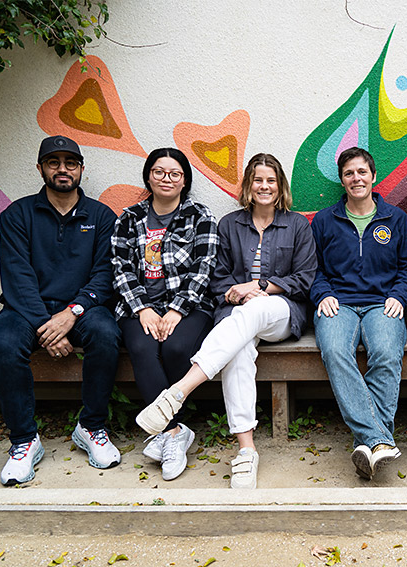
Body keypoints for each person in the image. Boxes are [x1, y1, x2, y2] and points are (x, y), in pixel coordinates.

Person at [134, 153, 316, 489]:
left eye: (271, 180)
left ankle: (178, 392)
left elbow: (304, 278)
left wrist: (259, 287)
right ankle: (246, 451)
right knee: (239, 348)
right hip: (236, 315)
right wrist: (239, 293)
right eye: (258, 180)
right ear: (248, 184)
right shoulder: (229, 224)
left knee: (256, 310)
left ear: (280, 186)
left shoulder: (297, 225)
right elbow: (216, 279)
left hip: (282, 312)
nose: (264, 186)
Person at [0, 135, 122, 486]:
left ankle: (91, 427)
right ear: (40, 168)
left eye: (70, 163)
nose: (62, 169)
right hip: (27, 307)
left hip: (81, 308)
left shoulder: (101, 216)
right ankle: (24, 441)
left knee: (107, 334)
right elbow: (16, 275)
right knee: (4, 343)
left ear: (81, 169)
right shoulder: (17, 214)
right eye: (53, 162)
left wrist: (72, 313)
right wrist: (44, 325)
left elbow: (105, 274)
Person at [111, 147, 218, 481]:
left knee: (175, 348)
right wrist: (142, 308)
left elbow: (205, 267)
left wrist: (176, 310)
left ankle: (168, 429)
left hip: (190, 305)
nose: (166, 179)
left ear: (184, 180)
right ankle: (173, 432)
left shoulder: (201, 216)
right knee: (143, 348)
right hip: (136, 307)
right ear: (148, 176)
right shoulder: (129, 218)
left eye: (174, 173)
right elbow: (120, 267)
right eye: (159, 172)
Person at [311, 147, 407, 480]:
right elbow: (313, 269)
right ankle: (379, 440)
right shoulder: (326, 220)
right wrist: (322, 293)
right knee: (336, 351)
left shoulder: (395, 218)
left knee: (385, 352)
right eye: (349, 173)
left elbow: (406, 269)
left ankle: (366, 445)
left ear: (373, 176)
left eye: (361, 172)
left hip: (382, 302)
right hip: (337, 303)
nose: (356, 178)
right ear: (342, 180)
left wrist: (399, 295)